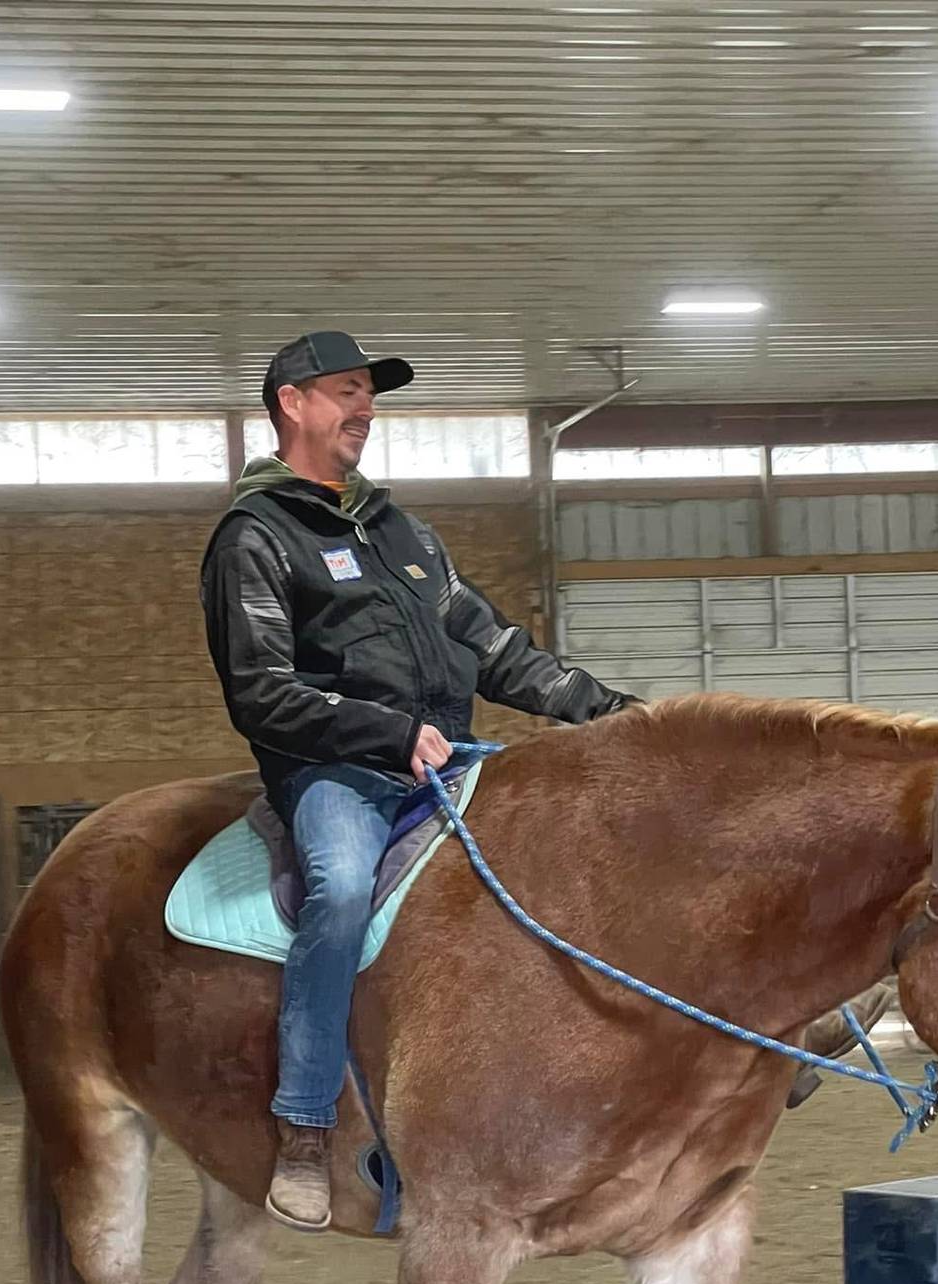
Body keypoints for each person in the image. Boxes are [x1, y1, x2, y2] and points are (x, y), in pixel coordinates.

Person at [202, 330, 638, 1231]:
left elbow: (494, 648)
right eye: (348, 391)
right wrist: (388, 732)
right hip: (338, 771)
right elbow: (261, 693)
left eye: (370, 395)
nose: (366, 410)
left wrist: (618, 718)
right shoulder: (255, 537)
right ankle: (306, 1126)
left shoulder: (399, 531)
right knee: (342, 891)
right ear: (293, 402)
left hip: (443, 755)